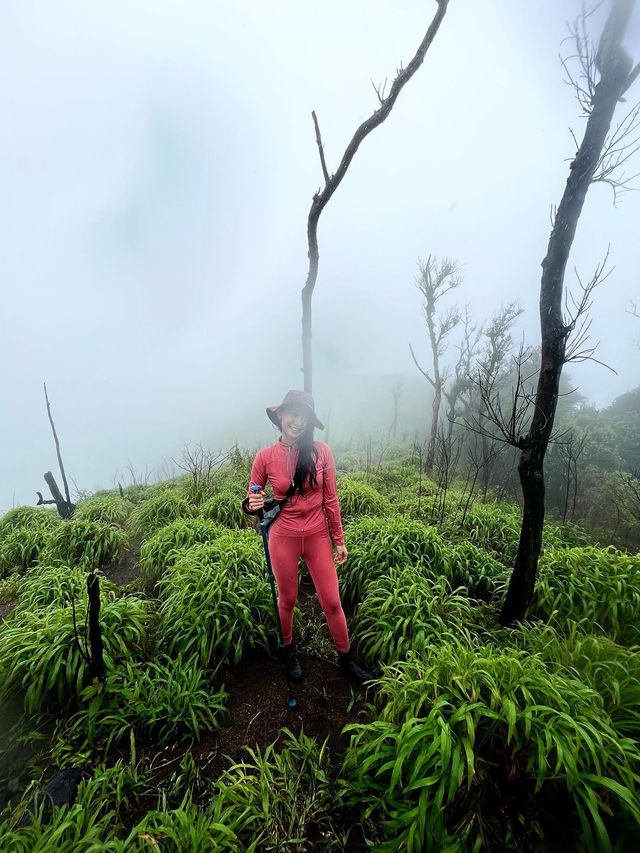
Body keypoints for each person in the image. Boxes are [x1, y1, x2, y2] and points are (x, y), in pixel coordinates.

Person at [244, 389, 373, 684]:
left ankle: (345, 658)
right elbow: (253, 496)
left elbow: (331, 499)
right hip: (283, 537)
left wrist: (338, 539)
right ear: (280, 416)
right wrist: (251, 503)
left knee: (332, 602)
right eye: (293, 414)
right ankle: (287, 651)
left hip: (316, 535)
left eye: (304, 417)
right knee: (287, 599)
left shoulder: (322, 452)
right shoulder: (264, 458)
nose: (298, 422)